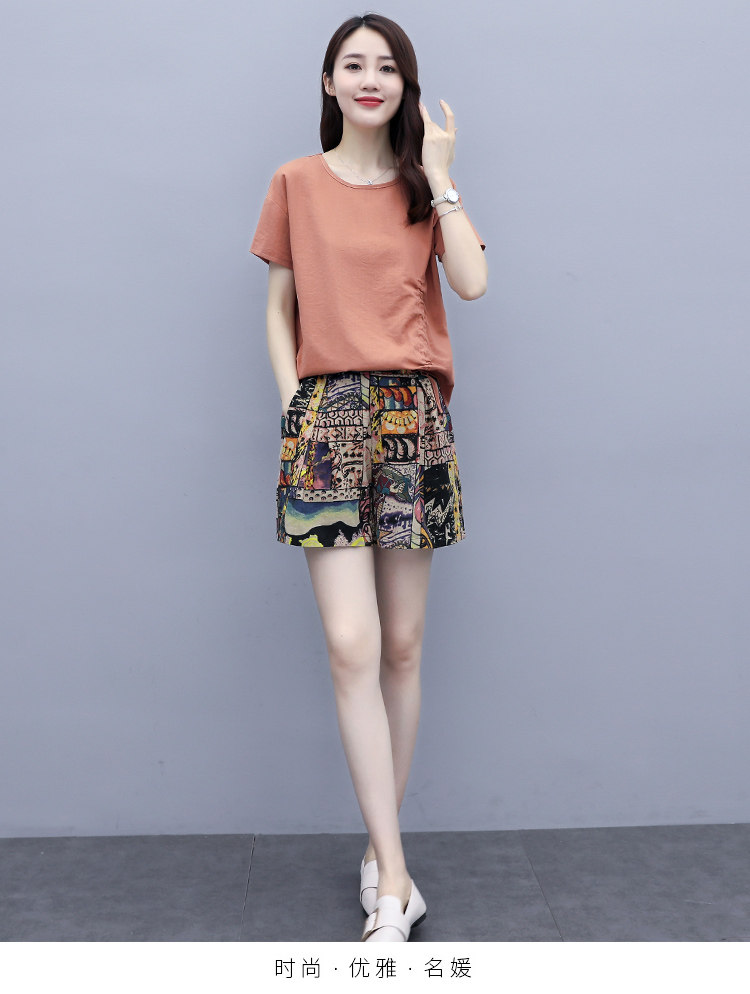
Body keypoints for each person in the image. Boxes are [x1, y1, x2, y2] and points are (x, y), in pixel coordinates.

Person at [250, 12, 486, 942]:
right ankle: (394, 881)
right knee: (352, 644)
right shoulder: (295, 183)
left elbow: (471, 283)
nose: (369, 78)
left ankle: (384, 866)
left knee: (403, 646)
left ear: (404, 85)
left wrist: (444, 171)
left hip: (411, 415)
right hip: (328, 415)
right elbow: (279, 310)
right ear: (329, 83)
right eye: (352, 64)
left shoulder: (424, 189)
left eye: (386, 66)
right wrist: (296, 410)